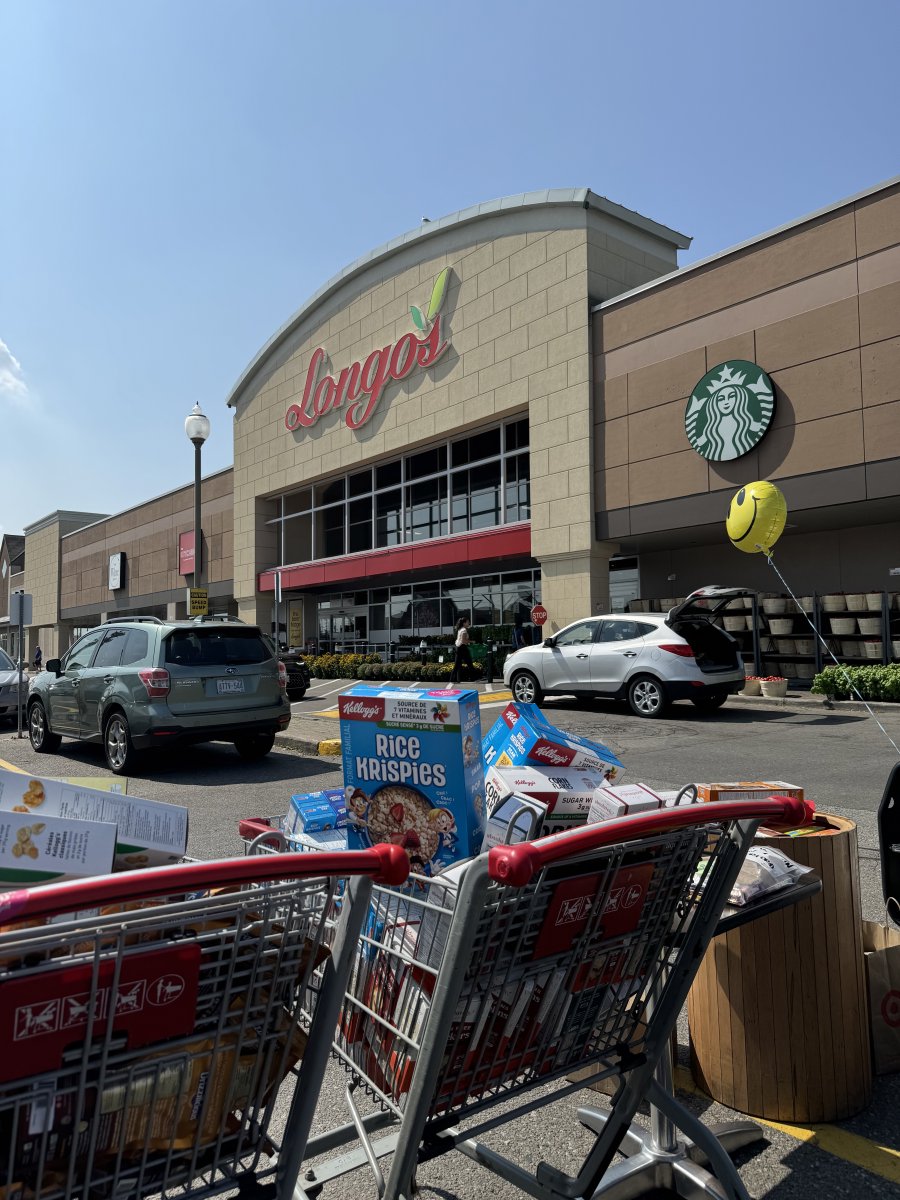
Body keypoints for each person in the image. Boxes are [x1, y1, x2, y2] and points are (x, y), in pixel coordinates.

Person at [449, 617, 472, 683]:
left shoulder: (460, 629)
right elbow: (464, 641)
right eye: (468, 622)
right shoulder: (464, 630)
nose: (469, 623)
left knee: (458, 664)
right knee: (469, 663)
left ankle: (453, 679)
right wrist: (471, 641)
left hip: (459, 647)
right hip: (462, 647)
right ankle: (473, 677)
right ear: (464, 623)